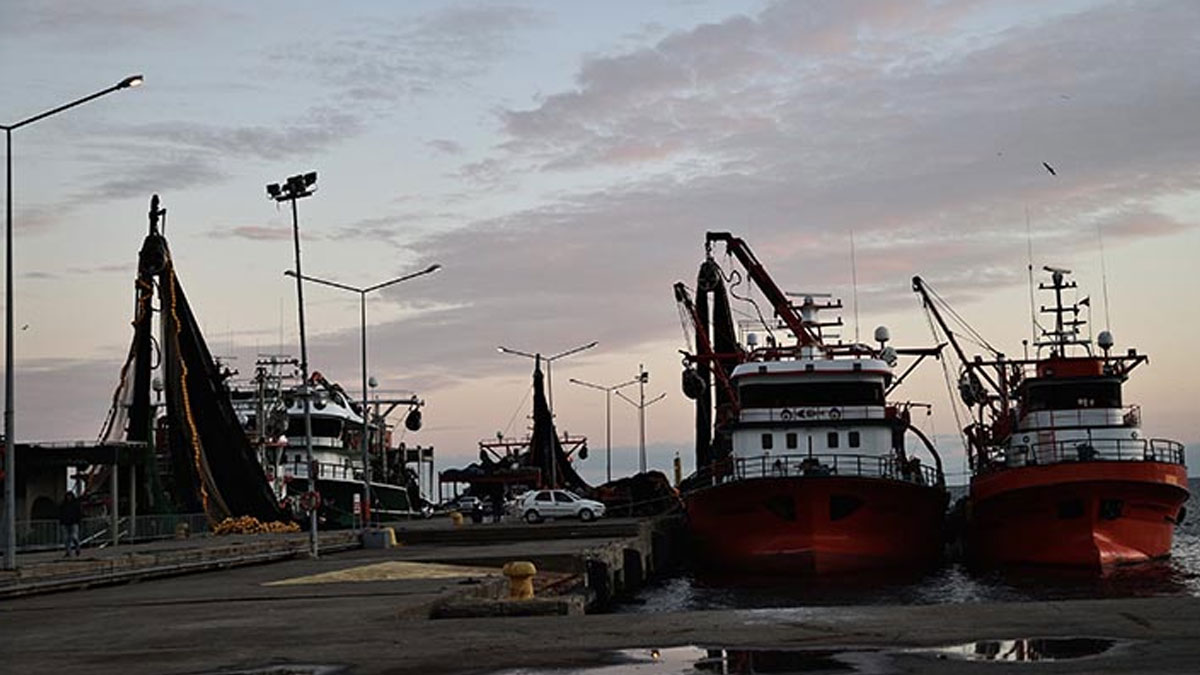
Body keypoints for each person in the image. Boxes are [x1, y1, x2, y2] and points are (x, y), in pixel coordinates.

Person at [59, 491, 83, 557]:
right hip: (65, 523)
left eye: (69, 496)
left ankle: (77, 547)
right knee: (66, 539)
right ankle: (68, 551)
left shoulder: (76, 504)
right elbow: (60, 513)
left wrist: (78, 521)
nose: (68, 497)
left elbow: (79, 513)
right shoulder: (63, 504)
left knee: (74, 537)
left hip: (74, 523)